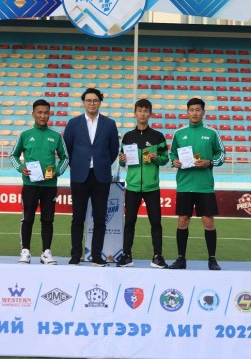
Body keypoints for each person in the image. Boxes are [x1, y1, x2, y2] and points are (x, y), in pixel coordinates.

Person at [63, 87, 119, 267]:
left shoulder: (109, 124)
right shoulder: (73, 123)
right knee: (77, 218)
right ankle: (75, 254)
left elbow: (113, 150)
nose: (92, 103)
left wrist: (103, 163)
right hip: (79, 176)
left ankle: (96, 255)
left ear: (100, 102)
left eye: (95, 100)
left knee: (100, 218)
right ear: (83, 102)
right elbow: (67, 149)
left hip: (101, 176)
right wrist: (78, 164)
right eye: (88, 100)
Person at [168, 97, 225, 271]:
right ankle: (181, 259)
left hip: (204, 185)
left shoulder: (212, 133)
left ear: (203, 112)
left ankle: (212, 259)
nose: (194, 113)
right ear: (187, 112)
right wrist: (174, 161)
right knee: (182, 221)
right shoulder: (179, 133)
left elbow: (222, 155)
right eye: (191, 110)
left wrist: (210, 162)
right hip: (184, 185)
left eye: (198, 110)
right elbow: (171, 154)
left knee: (208, 222)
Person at [9, 99, 69, 265]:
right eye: (39, 112)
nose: (43, 116)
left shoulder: (56, 136)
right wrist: (21, 168)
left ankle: (46, 252)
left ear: (49, 114)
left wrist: (57, 171)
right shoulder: (25, 135)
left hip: (49, 186)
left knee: (48, 220)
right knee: (27, 218)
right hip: (30, 185)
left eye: (46, 113)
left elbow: (65, 158)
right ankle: (25, 251)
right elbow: (13, 155)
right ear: (33, 114)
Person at [116, 98, 170, 269]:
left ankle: (158, 256)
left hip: (151, 187)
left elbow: (165, 159)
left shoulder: (157, 136)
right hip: (132, 186)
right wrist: (122, 160)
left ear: (150, 114)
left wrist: (156, 158)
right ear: (135, 113)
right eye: (139, 110)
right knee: (129, 222)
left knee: (156, 223)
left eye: (145, 111)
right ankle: (126, 255)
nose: (142, 114)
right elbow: (123, 161)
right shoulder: (128, 136)